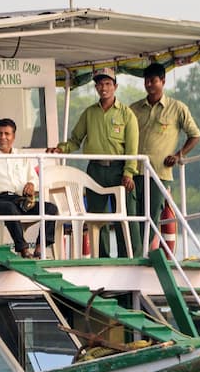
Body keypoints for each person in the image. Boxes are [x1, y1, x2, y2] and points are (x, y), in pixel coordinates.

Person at [47, 67, 138, 257]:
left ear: (115, 86)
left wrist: (129, 173)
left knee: (126, 216)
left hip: (119, 170)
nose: (103, 88)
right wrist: (60, 149)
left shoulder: (126, 114)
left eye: (107, 84)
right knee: (98, 217)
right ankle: (102, 256)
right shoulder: (89, 113)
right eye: (99, 84)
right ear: (96, 87)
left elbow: (132, 148)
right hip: (95, 169)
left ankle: (129, 257)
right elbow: (75, 140)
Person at [130, 61, 200, 252]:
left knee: (152, 215)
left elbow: (195, 135)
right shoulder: (134, 109)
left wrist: (178, 155)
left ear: (162, 81)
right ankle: (134, 254)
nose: (149, 85)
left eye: (153, 81)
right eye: (146, 81)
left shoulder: (177, 109)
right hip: (133, 171)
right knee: (133, 216)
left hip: (159, 173)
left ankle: (144, 254)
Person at [0, 118, 58, 258]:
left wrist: (31, 184)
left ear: (13, 136)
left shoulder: (22, 156)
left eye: (7, 134)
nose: (3, 137)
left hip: (19, 201)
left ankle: (40, 248)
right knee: (9, 208)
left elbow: (34, 179)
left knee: (50, 209)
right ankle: (23, 250)